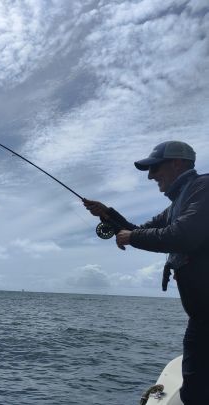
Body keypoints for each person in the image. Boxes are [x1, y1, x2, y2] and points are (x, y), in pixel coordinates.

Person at [83, 140, 209, 405]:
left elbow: (184, 236)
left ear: (178, 163)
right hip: (202, 315)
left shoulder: (203, 188)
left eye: (155, 168)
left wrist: (131, 237)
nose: (151, 176)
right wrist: (107, 214)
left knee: (196, 393)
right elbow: (137, 230)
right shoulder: (177, 204)